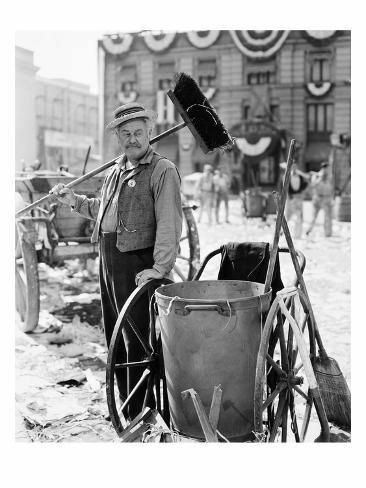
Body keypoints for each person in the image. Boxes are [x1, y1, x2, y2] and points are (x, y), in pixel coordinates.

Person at [49, 102, 183, 419]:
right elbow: (103, 212)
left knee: (138, 339)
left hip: (138, 265)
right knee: (115, 335)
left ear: (150, 132)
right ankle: (125, 403)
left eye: (138, 132)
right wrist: (73, 200)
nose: (133, 139)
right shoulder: (116, 170)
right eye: (126, 134)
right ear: (118, 138)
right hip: (108, 261)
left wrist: (159, 269)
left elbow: (169, 224)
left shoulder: (162, 170)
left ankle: (142, 410)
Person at [280, 161, 311, 239]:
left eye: (295, 167)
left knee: (299, 217)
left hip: (298, 198)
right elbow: (285, 188)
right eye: (292, 166)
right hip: (290, 199)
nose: (294, 168)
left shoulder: (300, 176)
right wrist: (289, 196)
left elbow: (305, 184)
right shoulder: (287, 176)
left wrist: (302, 192)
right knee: (287, 217)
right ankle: (281, 232)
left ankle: (298, 235)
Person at [306, 162, 334, 237]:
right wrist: (320, 179)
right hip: (318, 198)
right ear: (323, 168)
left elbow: (332, 188)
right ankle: (309, 230)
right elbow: (312, 185)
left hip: (327, 198)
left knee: (328, 217)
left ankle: (328, 234)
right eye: (327, 168)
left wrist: (332, 198)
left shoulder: (330, 177)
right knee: (314, 217)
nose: (328, 170)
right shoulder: (317, 175)